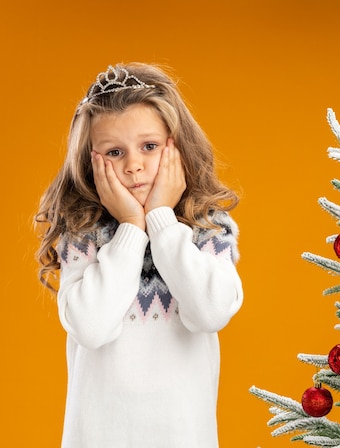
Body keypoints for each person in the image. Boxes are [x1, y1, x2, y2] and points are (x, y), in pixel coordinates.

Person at [35, 63, 243, 448]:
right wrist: (131, 227)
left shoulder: (208, 226)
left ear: (177, 147)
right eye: (115, 152)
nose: (133, 165)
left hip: (185, 438)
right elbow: (91, 328)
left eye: (148, 146)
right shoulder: (83, 231)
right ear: (90, 161)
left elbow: (211, 312)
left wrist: (162, 221)